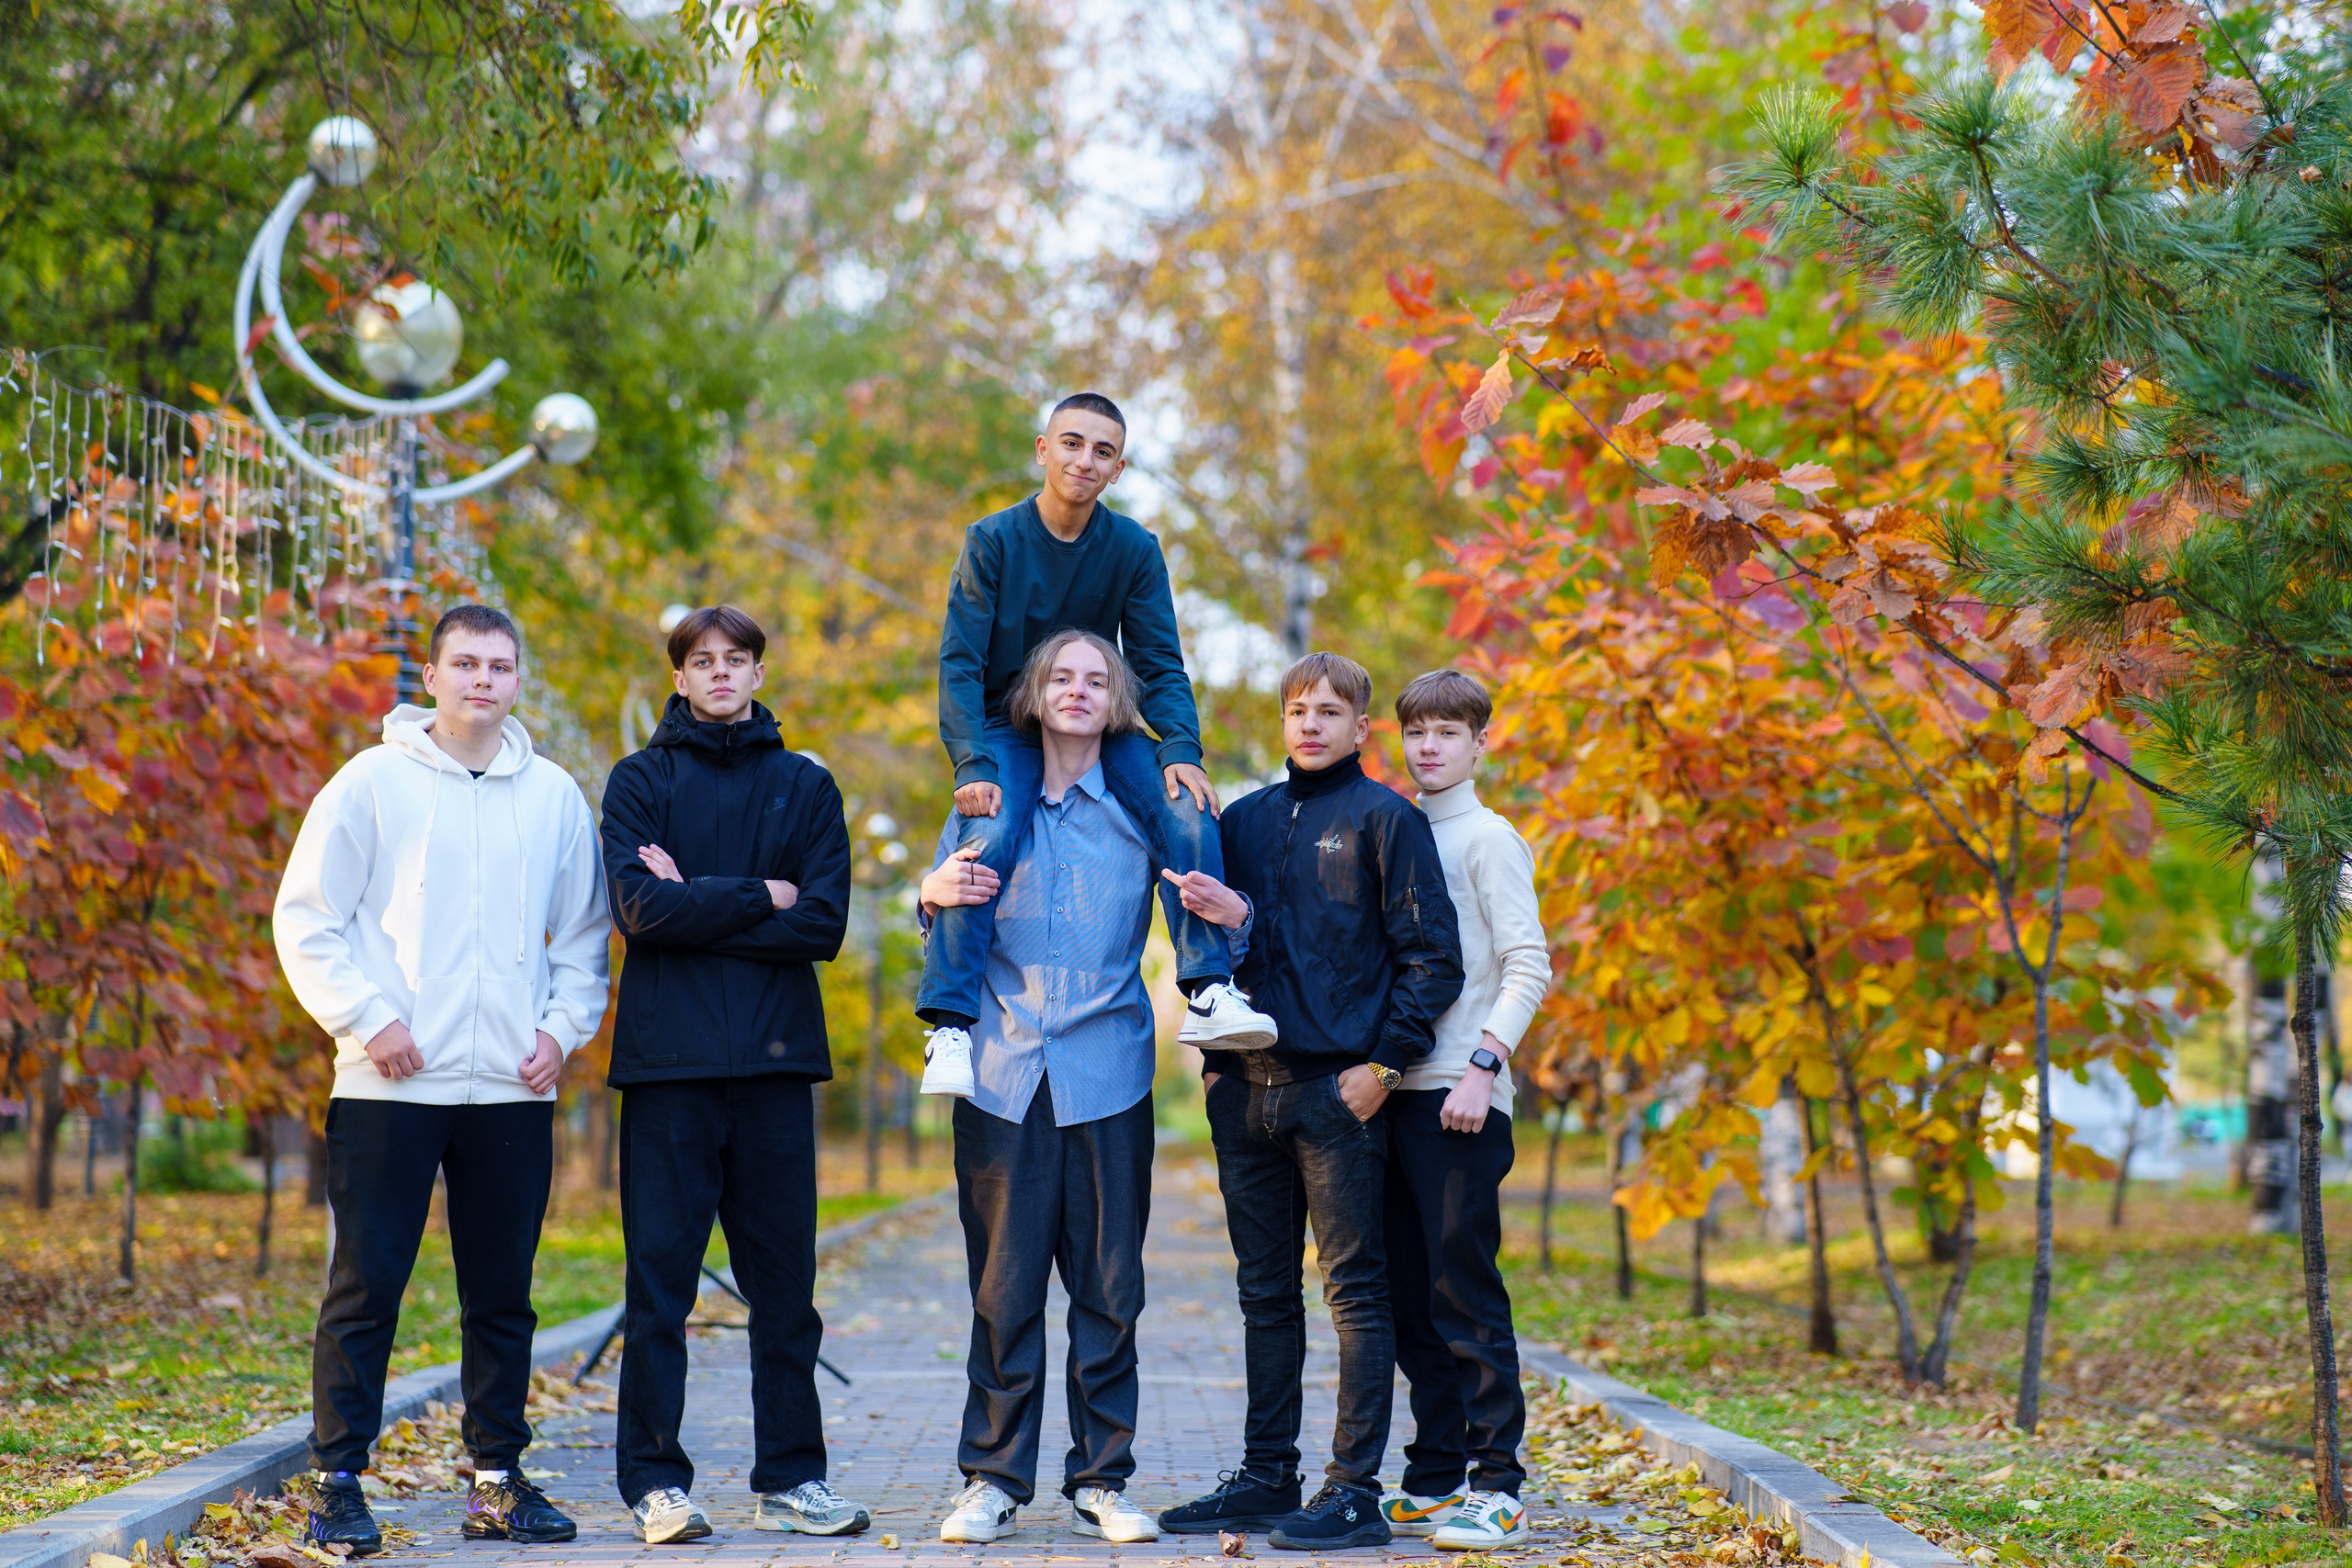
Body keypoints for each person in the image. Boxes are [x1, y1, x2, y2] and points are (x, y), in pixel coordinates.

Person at [274, 604, 611, 1555]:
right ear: (430, 676)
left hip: (511, 1087)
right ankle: (338, 1483)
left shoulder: (551, 797)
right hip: (390, 1083)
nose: (483, 682)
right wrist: (368, 1019)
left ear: (516, 682)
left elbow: (585, 938)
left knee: (502, 1293)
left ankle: (497, 1481)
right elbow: (308, 919)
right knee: (365, 1285)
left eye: (500, 667)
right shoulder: (371, 783)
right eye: (465, 664)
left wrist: (560, 1032)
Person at [916, 629, 1244, 1547]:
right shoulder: (986, 800)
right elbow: (941, 905)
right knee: (1003, 1287)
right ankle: (991, 1481)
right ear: (1033, 691)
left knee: (1108, 1288)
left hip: (1108, 1071)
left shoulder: (1143, 808)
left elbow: (1197, 888)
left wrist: (1226, 928)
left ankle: (1102, 1479)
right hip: (1001, 1071)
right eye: (1061, 676)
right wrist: (925, 893)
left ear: (1117, 700)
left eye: (1096, 679)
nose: (1077, 690)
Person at [1157, 652, 1464, 1552]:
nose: (1311, 723)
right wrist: (1215, 1064)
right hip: (1244, 1099)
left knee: (1354, 1298)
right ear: (1282, 720)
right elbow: (1213, 942)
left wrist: (1384, 1068)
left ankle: (1353, 1490)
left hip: (1339, 1097)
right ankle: (1265, 1476)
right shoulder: (1240, 820)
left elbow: (1431, 960)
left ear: (1359, 726)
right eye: (1297, 709)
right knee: (1262, 1296)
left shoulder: (1387, 820)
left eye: (1330, 710)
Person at [597, 605, 868, 1545]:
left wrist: (695, 899)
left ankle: (791, 1480)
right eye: (701, 661)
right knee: (659, 1290)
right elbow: (640, 911)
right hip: (668, 1069)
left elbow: (821, 926)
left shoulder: (804, 785)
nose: (718, 673)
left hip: (775, 1066)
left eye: (736, 660)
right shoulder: (639, 781)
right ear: (679, 677)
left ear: (757, 673)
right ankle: (654, 1486)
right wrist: (762, 893)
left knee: (785, 1292)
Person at [919, 392, 1275, 1093]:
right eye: (1073, 443)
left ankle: (1206, 986)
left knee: (1188, 806)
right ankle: (950, 1024)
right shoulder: (991, 541)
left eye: (1103, 451)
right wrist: (973, 759)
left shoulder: (1134, 549)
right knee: (986, 837)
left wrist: (1180, 745)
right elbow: (959, 660)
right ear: (1043, 449)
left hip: (1100, 718)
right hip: (1005, 727)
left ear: (1118, 468)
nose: (1086, 459)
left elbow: (1158, 660)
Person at [1378, 671, 1550, 1550]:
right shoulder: (1399, 829)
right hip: (1394, 1091)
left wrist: (1485, 1065)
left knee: (1464, 1289)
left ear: (1481, 742)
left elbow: (1528, 962)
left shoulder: (1489, 838)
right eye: (1418, 732)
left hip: (1462, 1093)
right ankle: (1440, 1473)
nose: (1431, 747)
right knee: (1409, 1292)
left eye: (1449, 732)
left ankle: (1500, 1483)